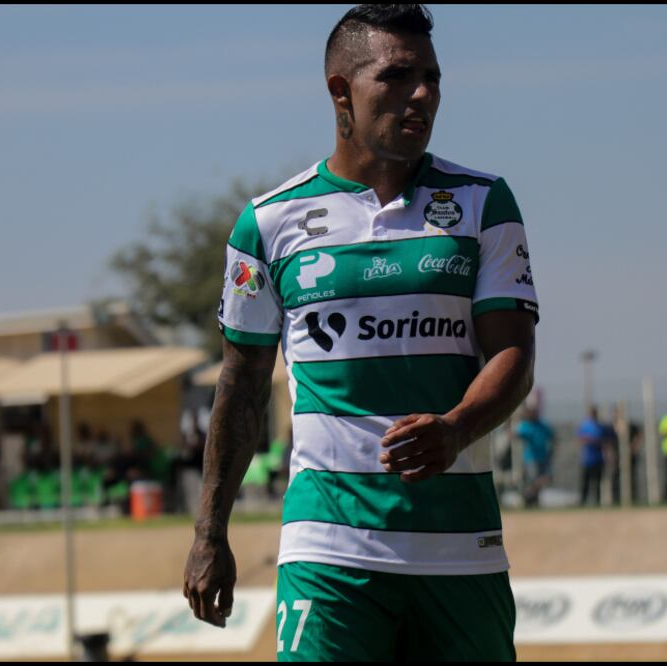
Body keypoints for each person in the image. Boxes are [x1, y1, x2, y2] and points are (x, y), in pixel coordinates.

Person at [183, 6, 538, 661]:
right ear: (340, 91)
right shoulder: (267, 224)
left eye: (432, 77)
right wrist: (211, 532)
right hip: (328, 548)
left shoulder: (485, 202)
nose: (424, 94)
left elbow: (514, 353)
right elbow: (241, 384)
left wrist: (456, 427)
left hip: (460, 549)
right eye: (398, 76)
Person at [515, 404, 555, 507]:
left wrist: (552, 451)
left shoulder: (543, 425)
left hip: (544, 457)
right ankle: (532, 501)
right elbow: (516, 435)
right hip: (531, 458)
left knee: (546, 478)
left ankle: (527, 495)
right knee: (533, 480)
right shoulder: (525, 426)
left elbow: (553, 438)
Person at [608, 406, 642, 505]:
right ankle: (616, 500)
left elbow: (638, 436)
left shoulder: (631, 425)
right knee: (615, 477)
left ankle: (633, 498)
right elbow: (609, 442)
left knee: (631, 477)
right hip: (617, 455)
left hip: (630, 455)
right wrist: (610, 453)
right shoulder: (612, 427)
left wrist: (633, 447)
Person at [575, 407, 606, 506]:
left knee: (597, 482)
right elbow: (580, 438)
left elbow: (604, 441)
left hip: (598, 459)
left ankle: (597, 502)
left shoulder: (600, 427)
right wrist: (592, 440)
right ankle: (583, 502)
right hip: (587, 459)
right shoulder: (585, 426)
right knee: (585, 482)